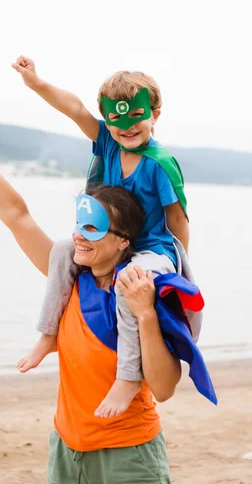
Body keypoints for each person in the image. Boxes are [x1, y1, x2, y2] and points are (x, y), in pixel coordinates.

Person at [0, 120, 181, 484]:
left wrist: (146, 315)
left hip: (129, 458)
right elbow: (17, 216)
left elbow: (165, 387)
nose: (79, 237)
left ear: (123, 241)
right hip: (67, 453)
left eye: (93, 229)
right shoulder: (68, 281)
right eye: (78, 226)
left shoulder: (141, 291)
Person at [12, 57, 193, 418]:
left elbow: (178, 219)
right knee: (63, 249)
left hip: (152, 250)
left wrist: (176, 273)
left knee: (130, 281)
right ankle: (49, 334)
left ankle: (127, 377)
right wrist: (35, 82)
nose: (126, 128)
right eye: (116, 120)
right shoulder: (107, 145)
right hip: (112, 243)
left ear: (155, 114)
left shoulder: (160, 163)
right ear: (107, 120)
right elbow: (75, 108)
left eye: (136, 118)